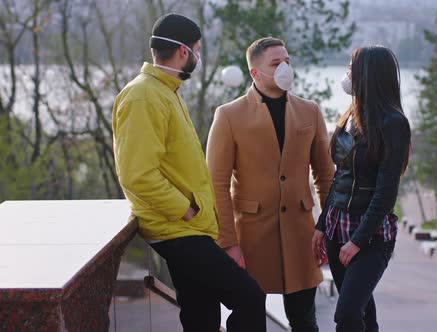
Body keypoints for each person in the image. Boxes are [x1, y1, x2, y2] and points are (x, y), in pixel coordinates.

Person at [112, 13, 266, 332]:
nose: (198, 56)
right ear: (184, 51)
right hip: (176, 229)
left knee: (201, 316)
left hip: (188, 227)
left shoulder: (165, 90)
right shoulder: (144, 95)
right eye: (198, 49)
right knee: (250, 297)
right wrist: (186, 209)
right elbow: (136, 174)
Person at [206, 37, 334, 332]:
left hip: (302, 236)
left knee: (305, 319)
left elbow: (326, 176)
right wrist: (228, 243)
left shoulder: (310, 111)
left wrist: (327, 227)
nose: (284, 67)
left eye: (287, 61)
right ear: (255, 72)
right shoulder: (228, 115)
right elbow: (217, 184)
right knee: (249, 319)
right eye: (276, 63)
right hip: (251, 236)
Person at [311, 46, 411, 332]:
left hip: (369, 236)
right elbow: (339, 177)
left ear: (368, 75)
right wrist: (321, 225)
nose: (347, 75)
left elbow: (386, 191)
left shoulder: (394, 123)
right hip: (335, 227)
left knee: (347, 315)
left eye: (352, 68)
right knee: (363, 313)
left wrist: (357, 240)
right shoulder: (350, 115)